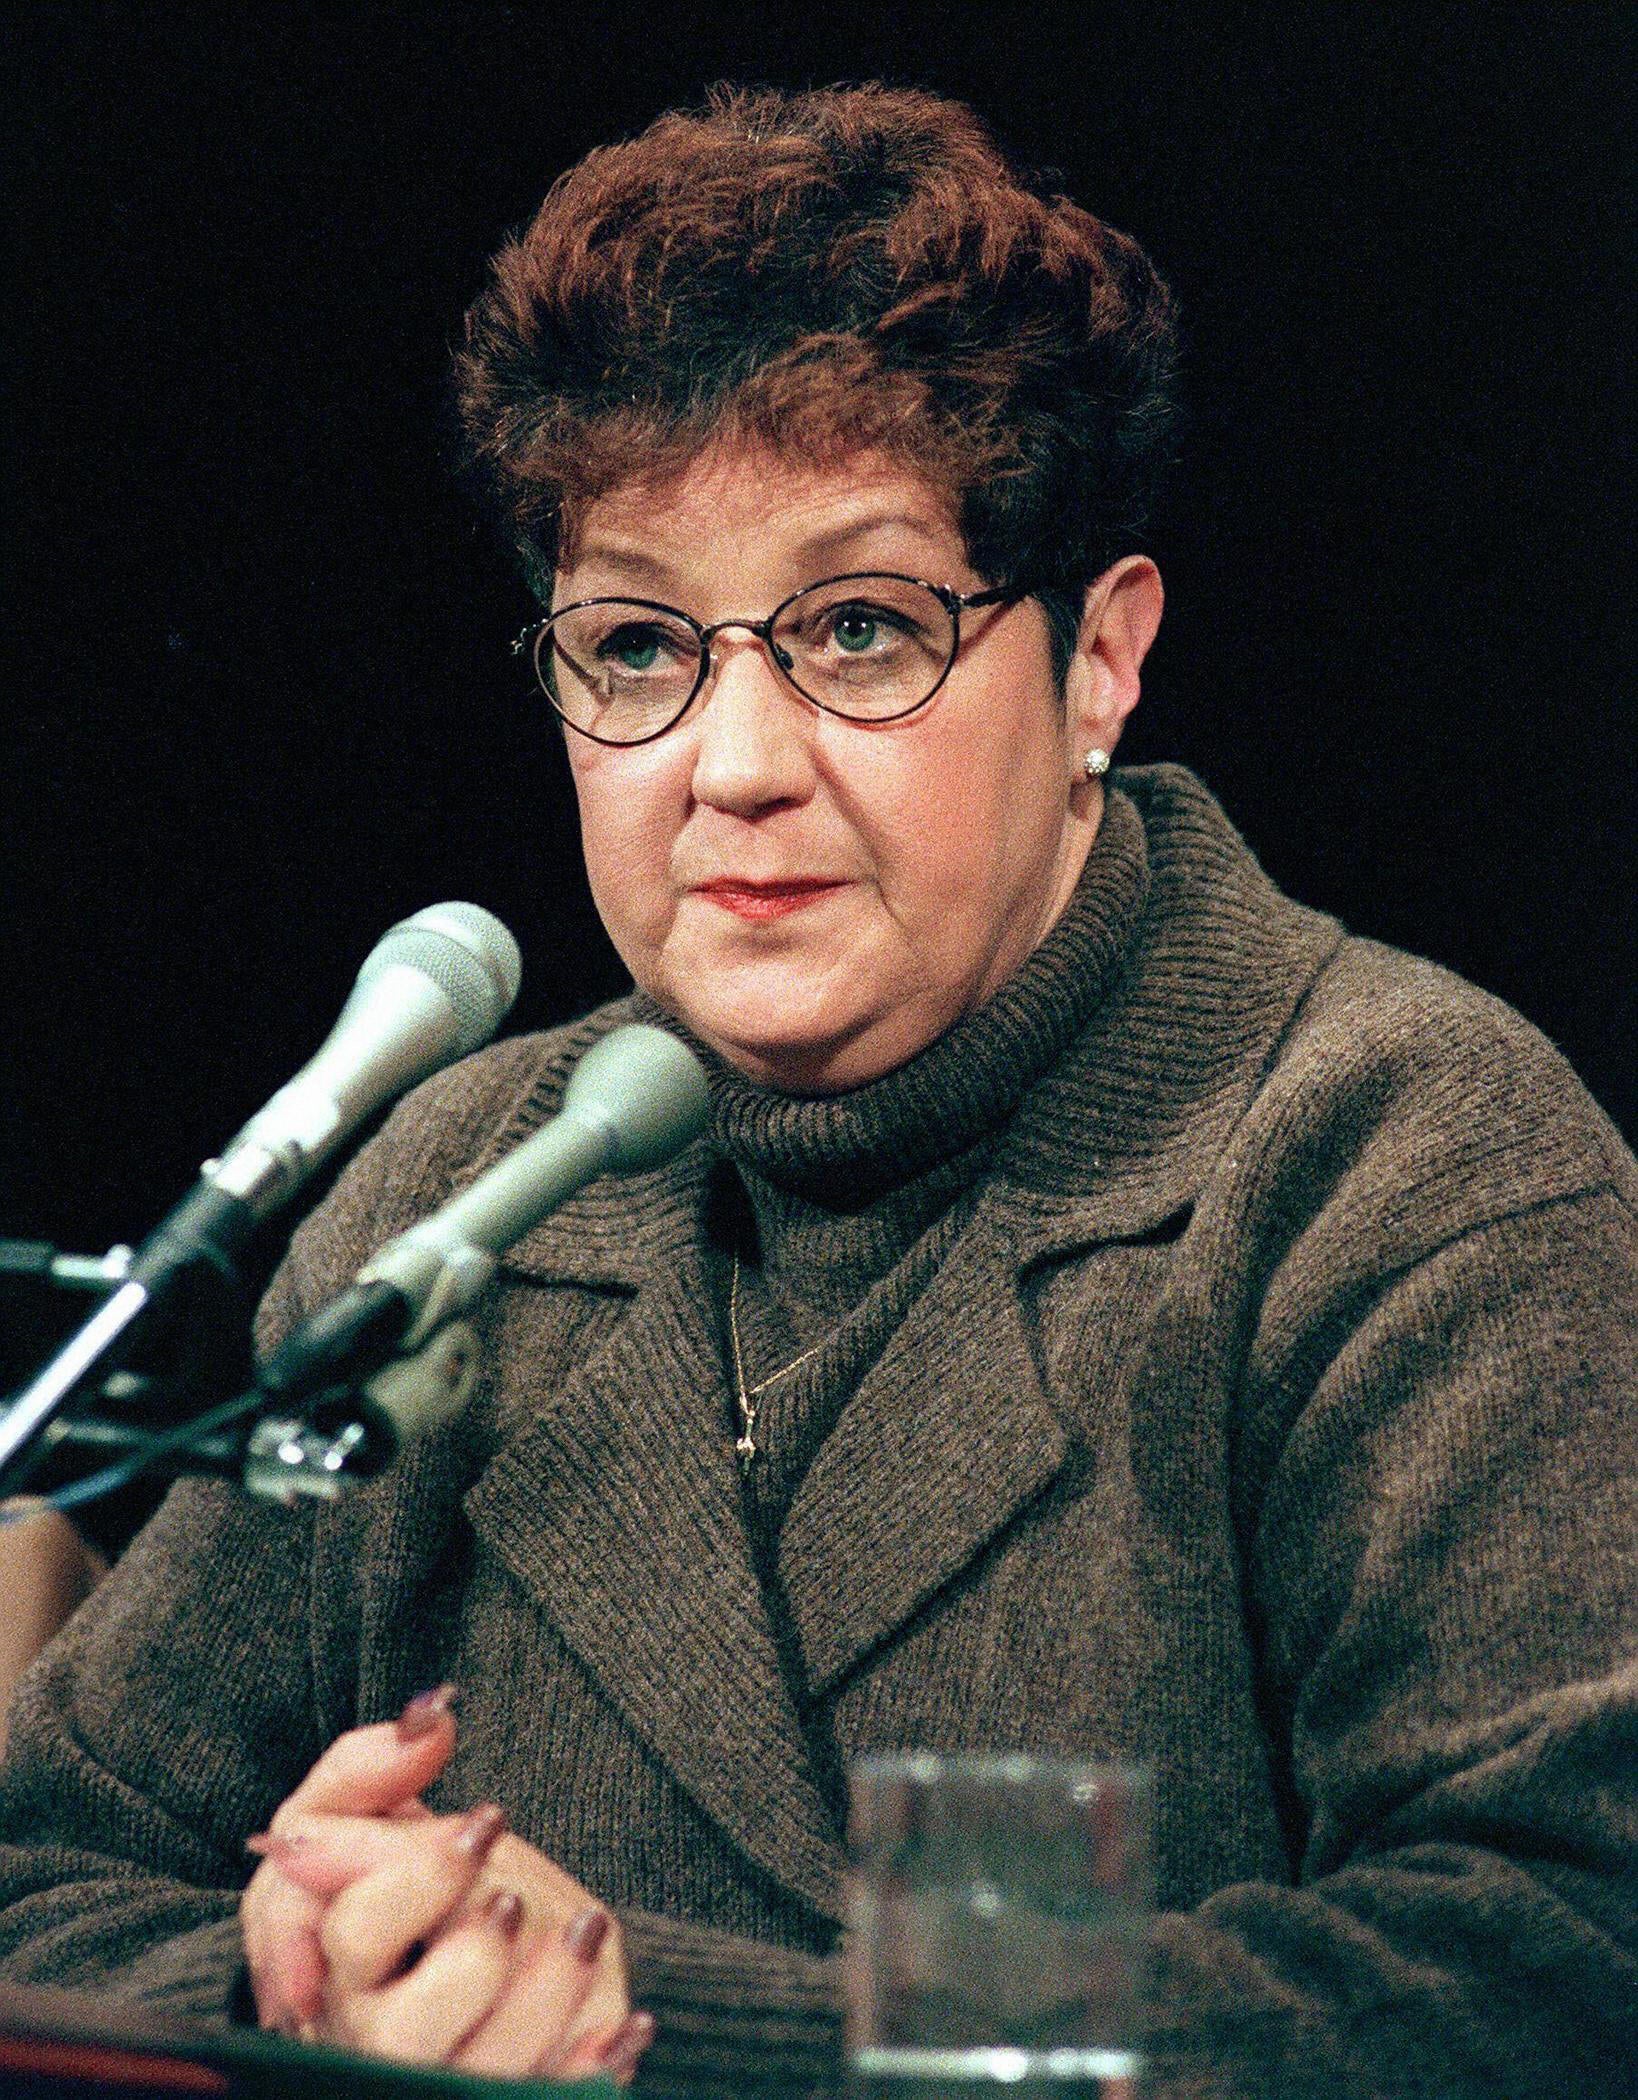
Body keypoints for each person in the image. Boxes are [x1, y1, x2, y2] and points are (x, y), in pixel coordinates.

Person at [0, 81, 1633, 2098]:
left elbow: (1559, 1959)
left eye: (860, 629)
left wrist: (671, 2024)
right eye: (636, 645)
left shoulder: (1401, 1160)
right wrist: (303, 1985)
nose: (735, 762)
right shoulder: (461, 1181)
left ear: (1099, 662)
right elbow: (41, 1888)